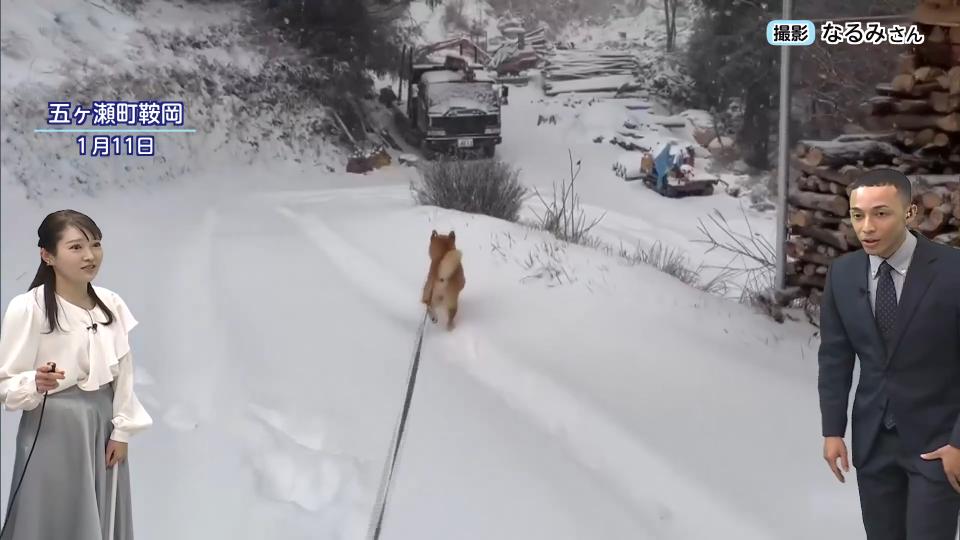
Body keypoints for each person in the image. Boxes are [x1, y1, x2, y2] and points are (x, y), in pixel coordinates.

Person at [818, 168, 960, 540]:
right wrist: (833, 430)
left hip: (938, 445)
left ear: (910, 213)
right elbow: (835, 357)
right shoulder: (842, 274)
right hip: (873, 443)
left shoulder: (952, 270)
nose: (866, 227)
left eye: (881, 213)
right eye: (857, 215)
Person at [0, 209, 152, 540]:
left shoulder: (110, 304)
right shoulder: (28, 308)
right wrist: (34, 382)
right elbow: (5, 380)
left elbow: (123, 375)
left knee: (102, 511)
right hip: (52, 427)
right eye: (75, 247)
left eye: (95, 244)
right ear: (47, 255)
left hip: (102, 425)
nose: (89, 256)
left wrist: (122, 431)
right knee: (48, 513)